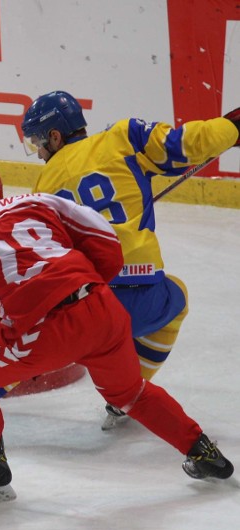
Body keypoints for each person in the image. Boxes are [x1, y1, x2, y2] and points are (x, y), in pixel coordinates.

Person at [0, 165, 232, 502]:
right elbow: (107, 246)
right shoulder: (38, 202)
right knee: (131, 394)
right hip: (104, 309)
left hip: (47, 332)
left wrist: (25, 341)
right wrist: (81, 295)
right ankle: (203, 453)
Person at [21, 92, 240, 429]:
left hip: (88, 311)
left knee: (30, 346)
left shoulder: (45, 182)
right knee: (177, 298)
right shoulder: (124, 137)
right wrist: (230, 128)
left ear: (55, 135)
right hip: (145, 300)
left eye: (39, 140)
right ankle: (127, 396)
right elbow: (188, 143)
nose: (38, 151)